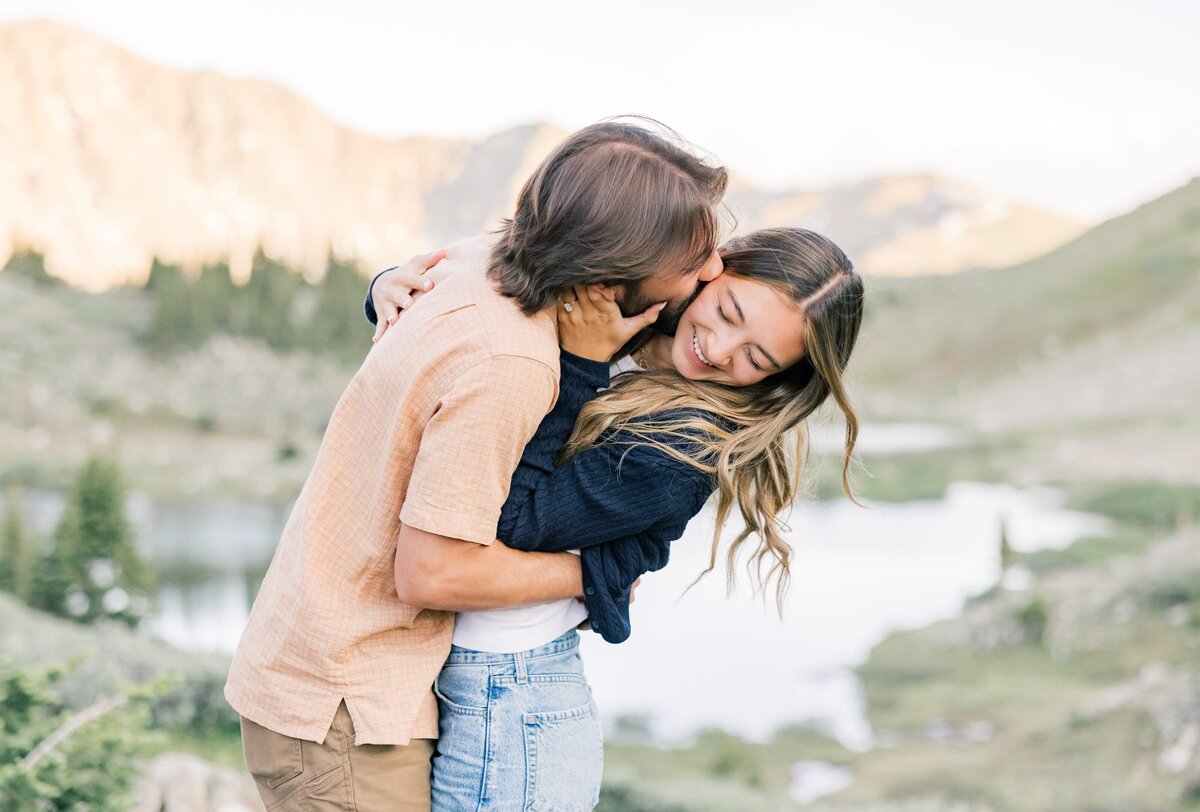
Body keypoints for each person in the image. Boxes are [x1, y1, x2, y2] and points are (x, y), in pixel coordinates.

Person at [223, 119, 728, 811]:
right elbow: (433, 571)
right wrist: (596, 575)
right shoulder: (513, 366)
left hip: (327, 674)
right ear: (611, 279)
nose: (711, 271)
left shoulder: (480, 257)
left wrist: (379, 286)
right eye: (692, 259)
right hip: (349, 712)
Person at [368, 226, 864, 810]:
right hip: (456, 682)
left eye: (757, 358)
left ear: (782, 379)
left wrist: (582, 362)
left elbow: (495, 520)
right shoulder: (619, 318)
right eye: (728, 312)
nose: (722, 351)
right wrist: (385, 288)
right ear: (710, 269)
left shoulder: (683, 449)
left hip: (512, 700)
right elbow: (466, 351)